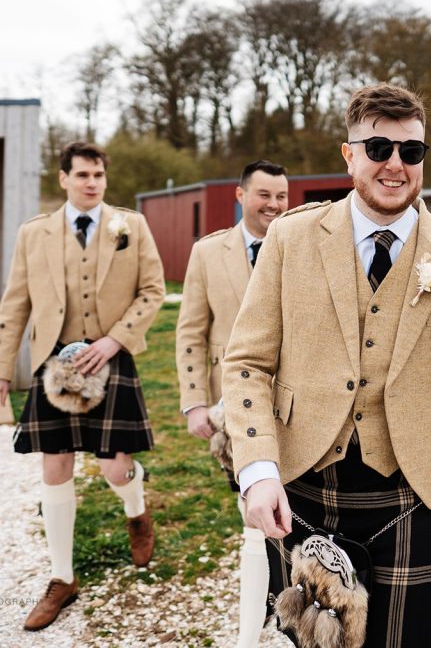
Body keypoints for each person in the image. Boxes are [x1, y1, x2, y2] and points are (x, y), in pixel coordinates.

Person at [221, 83, 431, 647]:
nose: (395, 165)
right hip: (303, 481)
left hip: (405, 492)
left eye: (411, 152)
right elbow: (246, 362)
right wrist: (257, 470)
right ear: (349, 154)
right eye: (378, 149)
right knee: (310, 640)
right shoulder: (291, 237)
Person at [0, 141, 165, 631]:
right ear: (63, 178)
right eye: (82, 174)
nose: (91, 182)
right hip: (54, 366)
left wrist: (113, 341)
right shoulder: (34, 234)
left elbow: (153, 292)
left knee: (113, 466)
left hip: (111, 356)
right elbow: (15, 303)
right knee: (55, 464)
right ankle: (62, 578)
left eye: (98, 175)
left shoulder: (132, 226)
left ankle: (136, 505)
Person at [176, 159, 289, 647]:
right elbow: (190, 331)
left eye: (282, 196)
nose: (275, 205)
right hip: (234, 407)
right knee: (253, 511)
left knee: (290, 513)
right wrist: (195, 403)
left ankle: (282, 605)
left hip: (295, 403)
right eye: (265, 194)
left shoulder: (298, 244)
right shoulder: (207, 252)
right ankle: (250, 630)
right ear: (240, 197)